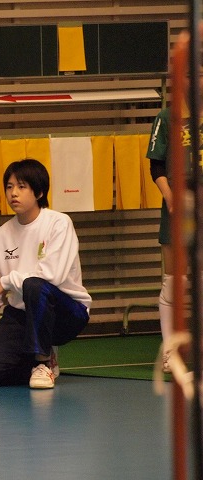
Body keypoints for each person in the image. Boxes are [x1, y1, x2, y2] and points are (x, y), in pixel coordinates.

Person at [0, 158, 91, 389]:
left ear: (39, 192)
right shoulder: (1, 236)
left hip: (65, 313)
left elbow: (52, 275)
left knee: (34, 285)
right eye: (10, 187)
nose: (13, 193)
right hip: (23, 313)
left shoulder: (59, 224)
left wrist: (8, 281)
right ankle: (40, 360)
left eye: (22, 187)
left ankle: (42, 360)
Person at [146, 91, 203, 373]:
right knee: (175, 281)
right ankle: (170, 350)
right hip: (179, 206)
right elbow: (156, 165)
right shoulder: (167, 117)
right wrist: (170, 198)